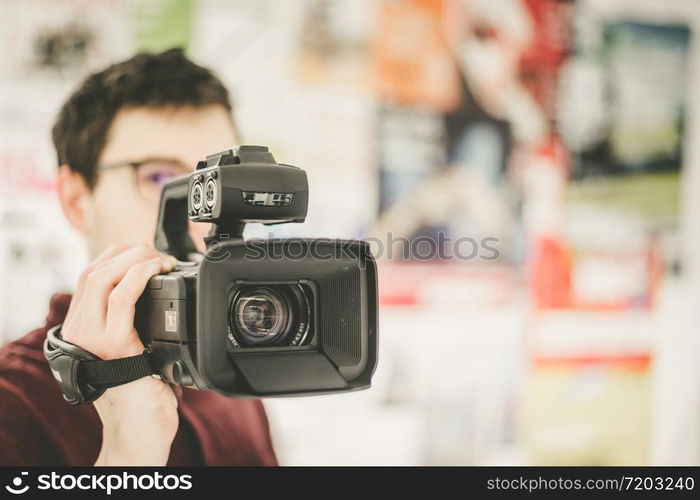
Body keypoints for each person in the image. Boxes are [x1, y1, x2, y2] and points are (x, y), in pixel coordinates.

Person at [0, 49, 277, 466]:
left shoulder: (235, 364)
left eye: (217, 185)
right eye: (160, 177)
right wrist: (127, 451)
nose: (198, 216)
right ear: (76, 199)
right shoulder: (14, 404)